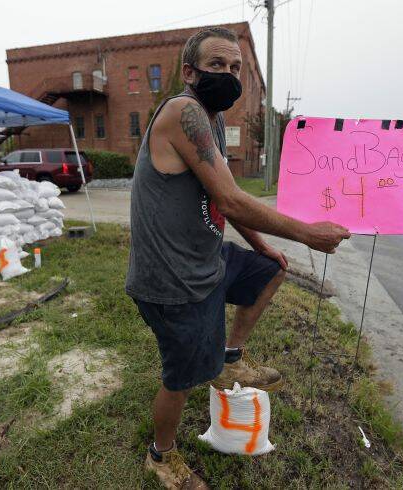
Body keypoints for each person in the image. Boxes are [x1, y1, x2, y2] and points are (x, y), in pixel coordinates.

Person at [125, 26, 350, 489]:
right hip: (172, 279)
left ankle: (229, 358)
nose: (228, 75)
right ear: (190, 72)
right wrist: (307, 233)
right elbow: (231, 199)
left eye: (235, 67)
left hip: (205, 260)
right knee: (182, 377)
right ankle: (161, 455)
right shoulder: (184, 111)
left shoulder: (211, 120)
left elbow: (222, 196)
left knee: (271, 269)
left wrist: (263, 246)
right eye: (217, 65)